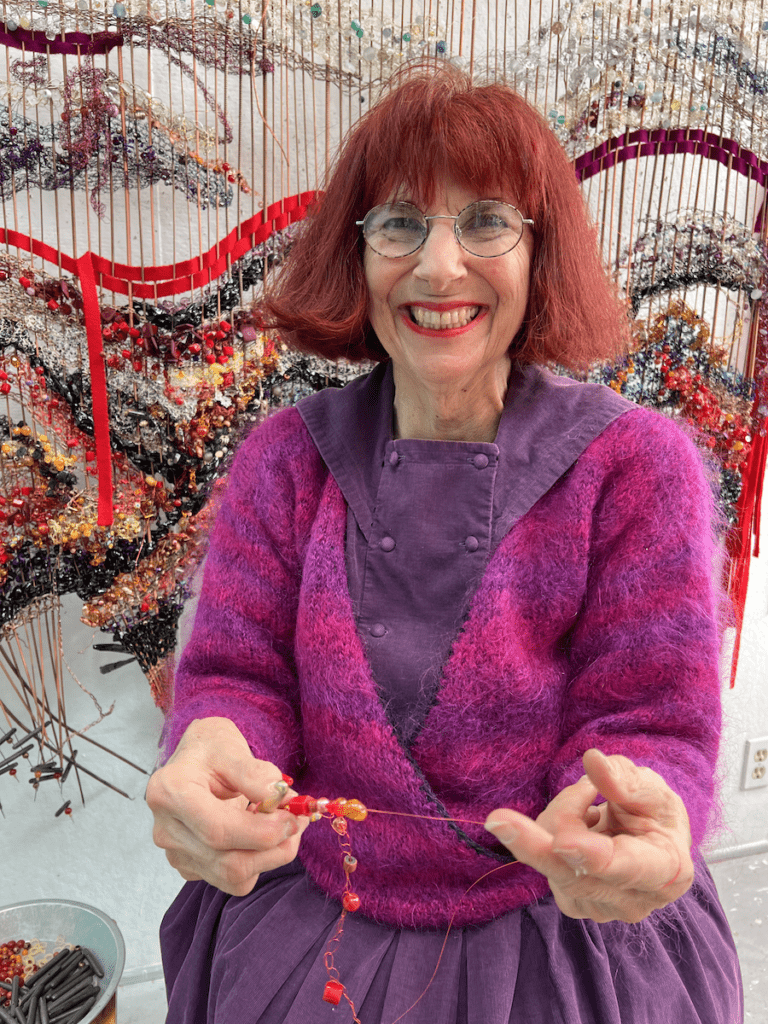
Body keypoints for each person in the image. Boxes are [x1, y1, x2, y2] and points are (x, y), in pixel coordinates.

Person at [147, 60, 744, 1024]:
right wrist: (212, 744)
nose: (437, 266)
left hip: (563, 942)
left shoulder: (636, 466)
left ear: (540, 250)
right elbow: (236, 677)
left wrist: (629, 813)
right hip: (313, 933)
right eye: (399, 223)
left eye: (486, 221)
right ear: (359, 251)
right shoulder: (285, 462)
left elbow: (649, 722)